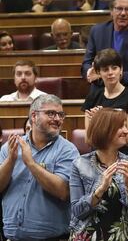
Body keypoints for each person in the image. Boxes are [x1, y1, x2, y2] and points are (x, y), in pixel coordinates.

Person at [0, 94, 79, 240]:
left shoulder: (68, 150)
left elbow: (63, 191)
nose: (57, 119)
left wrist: (30, 163)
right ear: (34, 116)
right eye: (51, 113)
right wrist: (10, 162)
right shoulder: (10, 147)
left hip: (52, 238)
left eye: (61, 115)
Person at [69, 108, 128, 241]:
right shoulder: (80, 164)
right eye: (121, 126)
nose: (126, 131)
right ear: (105, 129)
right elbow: (77, 211)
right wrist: (100, 189)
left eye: (126, 126)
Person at [81, 0, 128, 97]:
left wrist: (116, 76)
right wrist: (90, 72)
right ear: (111, 11)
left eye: (127, 9)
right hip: (100, 92)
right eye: (119, 8)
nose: (123, 13)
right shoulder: (97, 31)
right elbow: (86, 63)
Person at [82, 48, 128, 157]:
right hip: (97, 156)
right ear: (98, 72)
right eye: (105, 69)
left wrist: (100, 120)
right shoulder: (93, 96)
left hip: (122, 156)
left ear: (121, 69)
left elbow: (127, 139)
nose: (110, 73)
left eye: (114, 68)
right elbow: (88, 139)